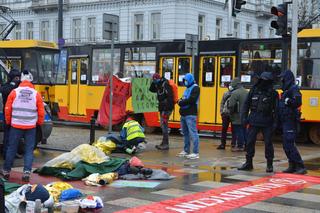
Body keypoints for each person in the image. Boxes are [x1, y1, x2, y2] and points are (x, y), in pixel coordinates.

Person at [2, 70, 44, 182]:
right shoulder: (36, 94)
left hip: (15, 126)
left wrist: (9, 121)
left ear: (21, 79)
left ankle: (6, 171)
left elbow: (7, 109)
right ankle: (26, 172)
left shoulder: (14, 92)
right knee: (29, 150)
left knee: (12, 148)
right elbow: (41, 112)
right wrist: (38, 123)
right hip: (30, 127)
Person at [238, 72, 278, 173]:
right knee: (250, 142)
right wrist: (243, 118)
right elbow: (246, 105)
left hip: (267, 121)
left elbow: (276, 110)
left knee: (268, 143)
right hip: (254, 120)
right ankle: (248, 162)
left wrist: (275, 123)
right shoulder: (253, 90)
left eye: (267, 81)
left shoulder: (273, 93)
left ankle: (269, 164)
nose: (264, 82)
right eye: (263, 80)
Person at [278, 70, 307, 174]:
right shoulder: (286, 90)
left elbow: (298, 101)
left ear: (287, 78)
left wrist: (288, 101)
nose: (281, 80)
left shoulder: (293, 89)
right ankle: (292, 165)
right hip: (285, 120)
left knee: (289, 143)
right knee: (286, 145)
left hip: (290, 121)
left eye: (283, 78)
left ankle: (300, 166)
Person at [176, 73, 200, 160]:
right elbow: (183, 98)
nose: (185, 82)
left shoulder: (195, 88)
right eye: (184, 80)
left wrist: (181, 102)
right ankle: (186, 150)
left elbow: (191, 100)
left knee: (193, 133)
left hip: (190, 114)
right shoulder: (187, 88)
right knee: (185, 133)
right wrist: (180, 101)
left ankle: (195, 152)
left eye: (186, 80)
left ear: (190, 80)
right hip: (184, 114)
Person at [149, 73, 174, 150]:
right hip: (163, 107)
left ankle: (166, 144)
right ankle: (164, 143)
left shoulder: (165, 84)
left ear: (158, 79)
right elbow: (151, 89)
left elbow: (170, 96)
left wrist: (167, 109)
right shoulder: (158, 84)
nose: (154, 81)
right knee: (163, 125)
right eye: (153, 80)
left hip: (166, 108)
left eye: (155, 79)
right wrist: (154, 82)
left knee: (164, 125)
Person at [0, 69, 21, 159]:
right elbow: (6, 91)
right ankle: (8, 154)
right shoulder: (10, 88)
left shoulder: (13, 87)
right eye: (17, 78)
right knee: (10, 136)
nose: (19, 79)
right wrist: (13, 84)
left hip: (12, 114)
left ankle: (11, 152)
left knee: (11, 135)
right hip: (11, 115)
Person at [228, 78, 248, 152]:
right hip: (245, 115)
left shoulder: (235, 93)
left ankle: (240, 146)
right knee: (244, 130)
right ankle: (246, 145)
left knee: (238, 131)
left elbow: (231, 105)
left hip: (237, 115)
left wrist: (230, 113)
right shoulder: (246, 92)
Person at [217, 84, 236, 150]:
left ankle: (233, 144)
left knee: (234, 130)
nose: (230, 86)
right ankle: (223, 144)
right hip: (225, 114)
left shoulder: (236, 94)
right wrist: (221, 112)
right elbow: (222, 103)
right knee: (224, 129)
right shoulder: (225, 94)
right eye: (229, 85)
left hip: (233, 114)